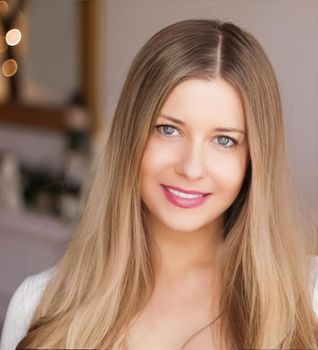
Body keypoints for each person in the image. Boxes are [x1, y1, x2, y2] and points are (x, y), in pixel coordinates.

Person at [1, 19, 318, 350]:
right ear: (131, 136)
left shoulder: (309, 300)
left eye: (224, 140)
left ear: (254, 159)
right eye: (168, 130)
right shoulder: (37, 304)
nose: (191, 167)